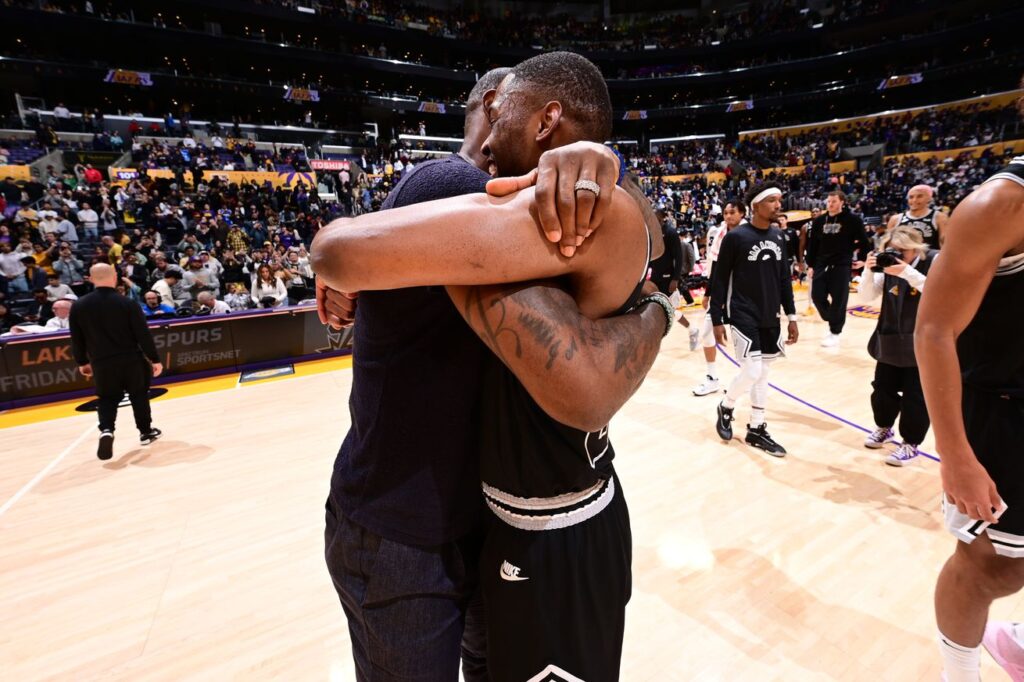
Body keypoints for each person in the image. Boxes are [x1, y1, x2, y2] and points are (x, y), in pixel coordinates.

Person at [315, 53, 666, 682]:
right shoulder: (452, 185)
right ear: (529, 114)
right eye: (570, 144)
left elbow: (649, 236)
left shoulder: (532, 211)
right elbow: (337, 253)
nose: (575, 201)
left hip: (484, 518)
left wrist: (615, 179)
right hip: (406, 529)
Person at [916, 133, 1024, 678]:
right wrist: (955, 455)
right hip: (1008, 416)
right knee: (990, 569)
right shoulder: (999, 205)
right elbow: (934, 330)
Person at [709, 182, 799, 456]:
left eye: (779, 200)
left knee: (764, 373)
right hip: (742, 312)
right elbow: (720, 279)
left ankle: (757, 428)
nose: (778, 205)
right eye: (772, 201)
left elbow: (785, 279)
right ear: (756, 205)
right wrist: (717, 318)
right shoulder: (736, 237)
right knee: (753, 370)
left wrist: (792, 316)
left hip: (770, 314)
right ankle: (726, 405)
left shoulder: (778, 237)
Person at [856, 226, 936, 466]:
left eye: (904, 251)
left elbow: (937, 292)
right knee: (882, 388)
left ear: (916, 247)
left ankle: (911, 443)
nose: (898, 255)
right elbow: (866, 297)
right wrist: (870, 271)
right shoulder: (887, 264)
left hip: (923, 341)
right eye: (893, 250)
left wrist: (907, 272)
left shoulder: (934, 260)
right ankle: (884, 427)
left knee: (916, 395)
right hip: (891, 337)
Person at [69, 264, 163, 460]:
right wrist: (154, 359)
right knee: (139, 395)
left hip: (101, 362)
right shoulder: (127, 303)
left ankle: (106, 430)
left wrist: (82, 362)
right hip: (131, 359)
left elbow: (77, 338)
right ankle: (146, 431)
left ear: (91, 279)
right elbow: (142, 335)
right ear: (114, 278)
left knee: (107, 398)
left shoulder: (79, 306)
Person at [693, 200, 747, 397]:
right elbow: (715, 266)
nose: (728, 216)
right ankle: (712, 378)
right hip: (721, 290)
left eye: (732, 212)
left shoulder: (748, 234)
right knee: (707, 333)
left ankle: (745, 379)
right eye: (725, 212)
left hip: (742, 292)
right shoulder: (720, 234)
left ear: (742, 213)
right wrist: (708, 292)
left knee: (741, 337)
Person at [806, 190, 870, 347]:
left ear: (842, 202)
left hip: (841, 264)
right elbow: (813, 244)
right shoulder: (819, 221)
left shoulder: (853, 220)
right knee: (817, 296)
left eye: (833, 201)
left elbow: (864, 241)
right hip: (821, 263)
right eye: (828, 201)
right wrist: (810, 265)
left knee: (839, 300)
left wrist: (862, 260)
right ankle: (832, 317)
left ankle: (835, 332)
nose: (830, 204)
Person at [649, 210, 699, 349]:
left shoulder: (671, 233)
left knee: (669, 309)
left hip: (669, 277)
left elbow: (678, 257)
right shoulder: (653, 233)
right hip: (655, 276)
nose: (655, 220)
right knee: (659, 307)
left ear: (663, 218)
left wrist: (675, 278)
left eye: (657, 218)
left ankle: (692, 329)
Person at [886, 183, 948, 250]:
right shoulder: (895, 219)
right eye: (911, 197)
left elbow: (945, 243)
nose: (914, 200)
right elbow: (886, 244)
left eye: (919, 196)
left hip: (929, 259)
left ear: (929, 199)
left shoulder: (939, 217)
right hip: (903, 259)